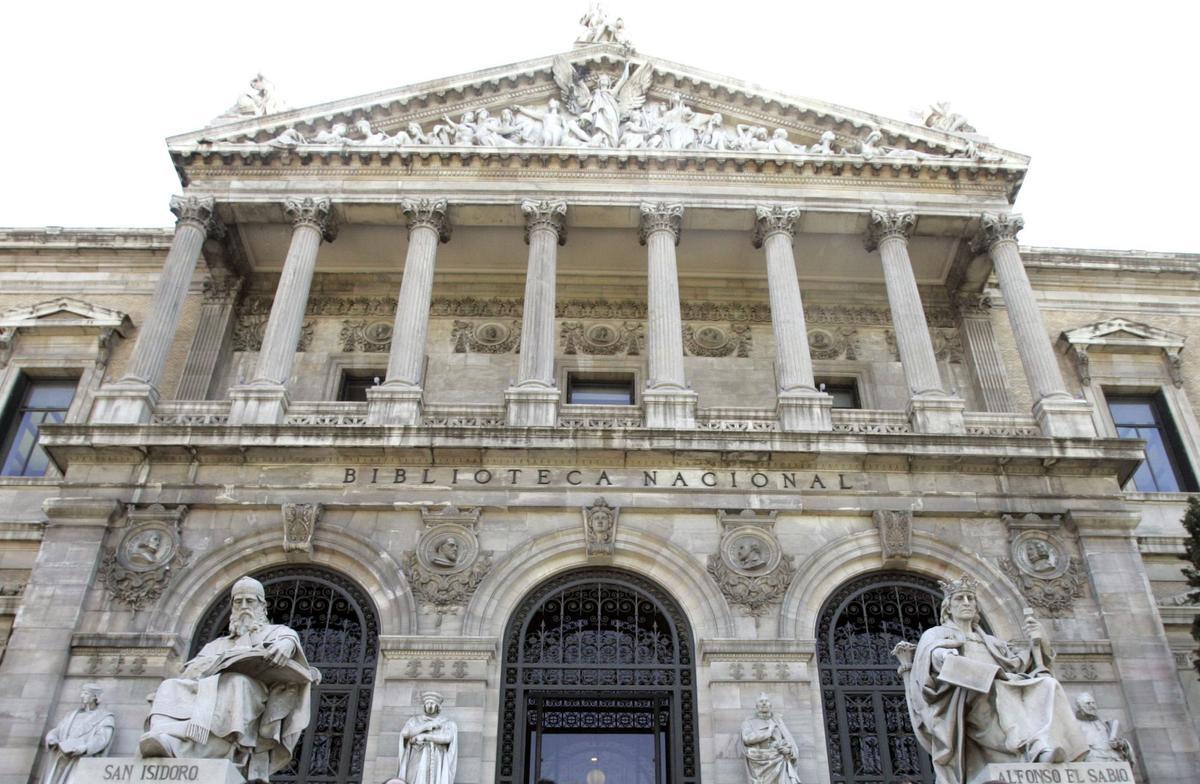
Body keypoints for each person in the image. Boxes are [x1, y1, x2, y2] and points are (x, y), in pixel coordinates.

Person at [904, 575, 1087, 784]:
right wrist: (986, 674)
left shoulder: (991, 642)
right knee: (998, 686)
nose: (966, 603)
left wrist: (1039, 642)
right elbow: (938, 661)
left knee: (1047, 684)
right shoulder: (937, 634)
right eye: (960, 599)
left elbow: (1019, 665)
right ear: (948, 608)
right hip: (964, 699)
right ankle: (1036, 748)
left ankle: (1044, 746)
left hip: (1001, 689)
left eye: (970, 599)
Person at [139, 576, 320, 781]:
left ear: (263, 606)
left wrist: (287, 645)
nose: (244, 606)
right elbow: (190, 671)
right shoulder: (218, 644)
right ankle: (165, 738)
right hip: (209, 689)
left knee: (236, 683)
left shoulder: (276, 632)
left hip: (253, 692)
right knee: (170, 685)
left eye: (250, 601)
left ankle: (192, 745)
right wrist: (217, 663)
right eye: (238, 601)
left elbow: (289, 640)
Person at [43, 683, 114, 784]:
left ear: (95, 697)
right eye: (82, 693)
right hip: (62, 757)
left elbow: (101, 739)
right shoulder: (71, 715)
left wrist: (85, 748)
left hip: (81, 759)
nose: (82, 696)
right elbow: (58, 730)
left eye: (86, 693)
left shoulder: (105, 717)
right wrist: (51, 737)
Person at [394, 691, 458, 784]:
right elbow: (405, 733)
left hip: (436, 756)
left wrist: (425, 737)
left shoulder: (446, 722)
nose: (429, 706)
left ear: (438, 706)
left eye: (432, 703)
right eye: (427, 703)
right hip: (416, 755)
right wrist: (425, 726)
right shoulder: (415, 720)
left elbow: (447, 738)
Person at [740, 693, 801, 784]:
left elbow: (791, 744)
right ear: (757, 706)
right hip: (760, 763)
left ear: (770, 705)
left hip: (781, 761)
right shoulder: (749, 722)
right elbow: (747, 739)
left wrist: (788, 751)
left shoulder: (778, 722)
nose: (764, 703)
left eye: (766, 701)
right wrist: (768, 732)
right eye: (761, 701)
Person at [1074, 692, 1133, 763]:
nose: (1092, 706)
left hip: (1114, 758)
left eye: (1093, 703)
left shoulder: (1104, 723)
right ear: (1079, 706)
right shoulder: (1076, 724)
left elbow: (1121, 744)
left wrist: (1118, 743)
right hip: (1094, 758)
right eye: (1088, 703)